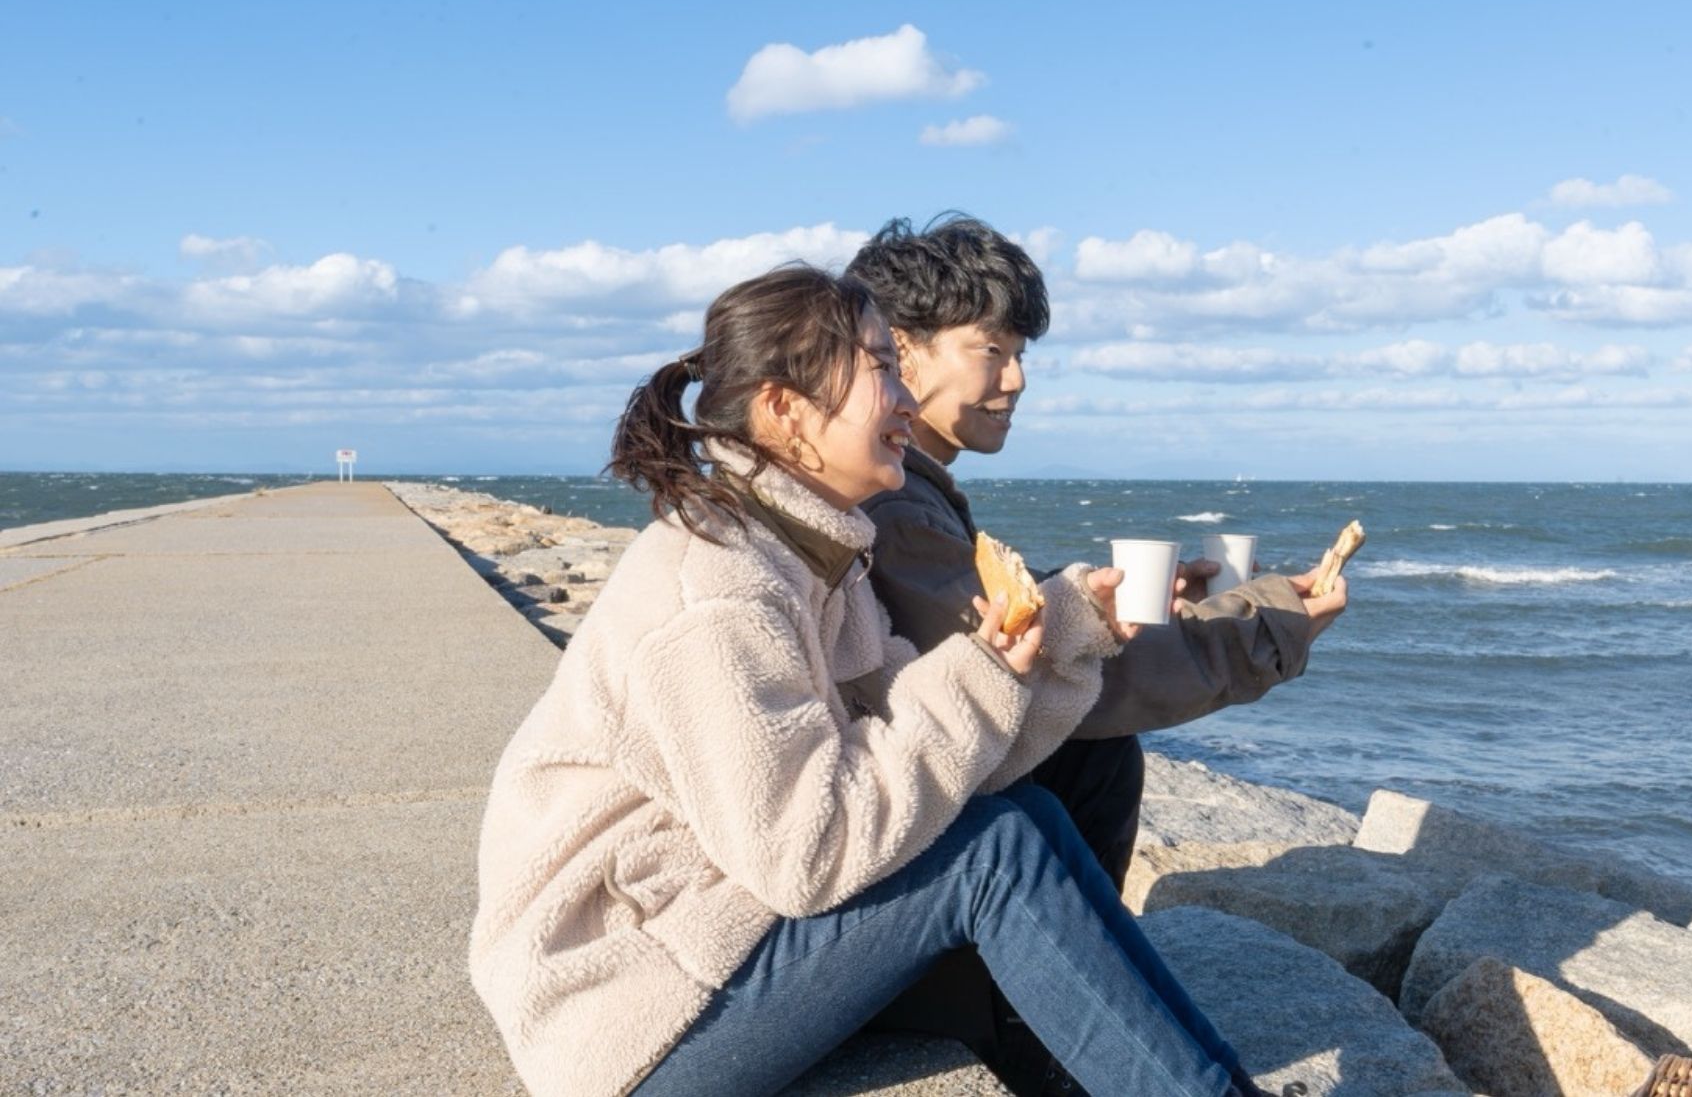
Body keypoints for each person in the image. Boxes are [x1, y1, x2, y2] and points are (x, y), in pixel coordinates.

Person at [467, 265, 1287, 1097]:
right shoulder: (716, 591)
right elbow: (806, 854)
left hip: (713, 930)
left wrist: (1065, 629)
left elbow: (939, 743)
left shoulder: (811, 557)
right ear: (784, 409)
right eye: (876, 369)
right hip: (627, 1006)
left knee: (1028, 809)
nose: (902, 400)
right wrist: (982, 671)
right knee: (991, 854)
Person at [846, 216, 1348, 1093]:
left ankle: (1054, 1013)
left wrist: (1192, 609)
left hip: (883, 844)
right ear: (903, 353)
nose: (1018, 378)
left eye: (1021, 353)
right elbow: (1047, 670)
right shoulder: (894, 507)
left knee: (1091, 754)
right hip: (873, 881)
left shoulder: (909, 495)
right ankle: (1046, 1029)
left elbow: (1006, 614)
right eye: (992, 350)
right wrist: (1265, 629)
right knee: (1095, 751)